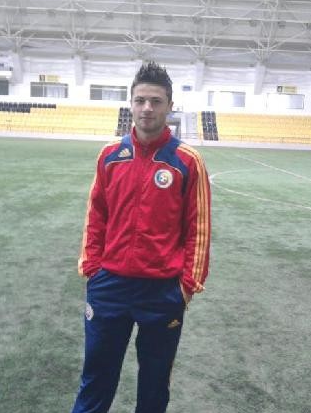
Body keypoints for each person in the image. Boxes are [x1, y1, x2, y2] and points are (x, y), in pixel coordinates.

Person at [71, 61, 211, 413]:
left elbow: (199, 227)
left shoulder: (187, 161)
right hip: (109, 286)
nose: (147, 108)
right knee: (96, 378)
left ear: (169, 106)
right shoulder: (110, 156)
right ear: (130, 104)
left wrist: (186, 286)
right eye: (140, 100)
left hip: (162, 292)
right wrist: (92, 268)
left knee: (154, 386)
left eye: (156, 101)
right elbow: (96, 215)